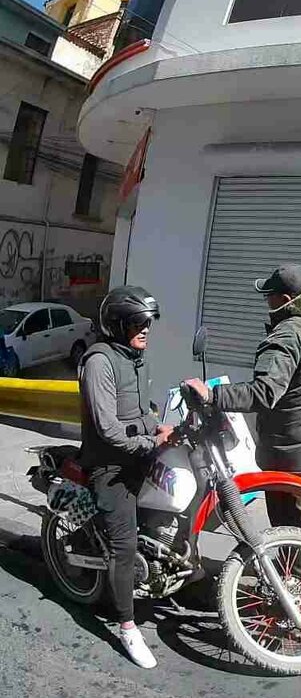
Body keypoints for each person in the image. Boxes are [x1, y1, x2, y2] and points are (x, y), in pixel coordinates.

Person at [185, 264, 301, 529]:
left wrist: (212, 394)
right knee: (298, 518)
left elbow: (264, 392)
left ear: (284, 300)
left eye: (268, 296)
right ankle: (293, 566)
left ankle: (294, 571)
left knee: (288, 522)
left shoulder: (289, 334)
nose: (266, 302)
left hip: (288, 450)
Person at [79, 286, 176, 669]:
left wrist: (164, 427)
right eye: (137, 323)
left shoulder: (136, 358)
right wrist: (150, 442)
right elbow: (107, 428)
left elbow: (142, 411)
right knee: (124, 544)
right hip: (110, 466)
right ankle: (127, 626)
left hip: (138, 455)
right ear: (117, 325)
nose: (145, 330)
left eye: (147, 322)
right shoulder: (99, 361)